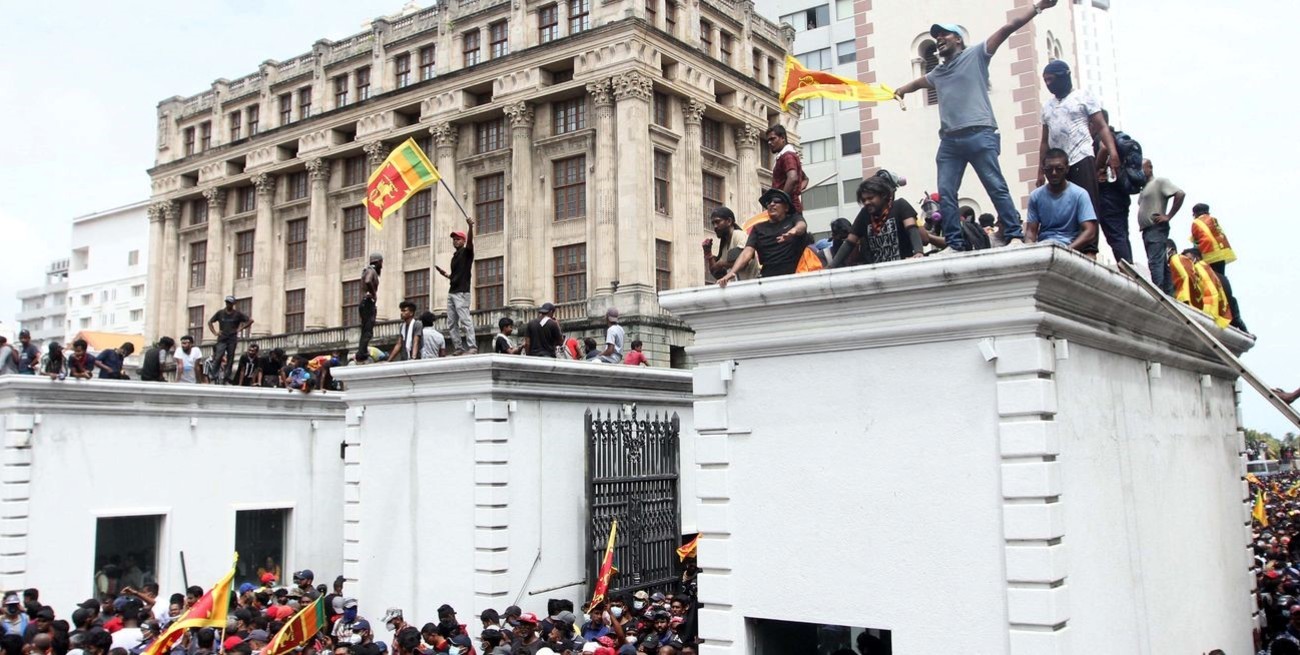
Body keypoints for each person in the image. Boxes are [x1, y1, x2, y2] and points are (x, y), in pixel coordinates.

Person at [891, 3, 1062, 251]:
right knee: (946, 193)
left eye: (944, 35)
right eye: (935, 37)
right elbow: (919, 82)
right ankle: (955, 243)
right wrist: (902, 90)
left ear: (958, 39)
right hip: (950, 141)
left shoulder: (977, 55)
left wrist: (1037, 7)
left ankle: (1014, 234)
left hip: (980, 133)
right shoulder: (938, 73)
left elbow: (1008, 27)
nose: (938, 39)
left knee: (995, 185)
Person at [1037, 58, 1118, 257]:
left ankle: (1090, 249)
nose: (1048, 84)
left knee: (1087, 203)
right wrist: (1040, 170)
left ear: (1064, 77)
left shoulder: (1083, 96)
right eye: (1045, 81)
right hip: (1057, 163)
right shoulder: (1047, 107)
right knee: (1061, 205)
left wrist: (1113, 151)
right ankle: (1067, 243)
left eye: (1051, 79)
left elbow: (1101, 126)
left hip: (1081, 156)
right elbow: (1044, 141)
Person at [716, 188, 808, 286]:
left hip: (794, 275)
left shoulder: (793, 219)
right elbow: (746, 253)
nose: (772, 204)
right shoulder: (758, 228)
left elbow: (802, 226)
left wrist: (793, 231)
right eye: (769, 202)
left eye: (777, 201)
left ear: (786, 207)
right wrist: (730, 273)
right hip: (768, 278)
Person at [831, 171, 923, 267]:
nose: (866, 202)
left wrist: (918, 252)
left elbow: (912, 228)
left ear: (883, 195)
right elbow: (849, 242)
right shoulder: (864, 214)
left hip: (902, 268)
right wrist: (831, 266)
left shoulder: (900, 205)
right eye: (863, 200)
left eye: (870, 198)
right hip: (878, 272)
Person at [1024, 148, 1098, 253]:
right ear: (1044, 170)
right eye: (1049, 169)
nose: (1054, 173)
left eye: (1059, 168)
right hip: (1044, 248)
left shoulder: (1080, 194)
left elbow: (1090, 231)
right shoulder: (1035, 196)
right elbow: (1031, 232)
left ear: (1067, 169)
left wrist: (1068, 250)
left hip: (1070, 247)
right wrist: (1029, 249)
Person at [1189, 203, 1245, 331]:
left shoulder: (1196, 222)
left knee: (1212, 284)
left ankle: (1221, 311)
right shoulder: (1213, 220)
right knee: (1222, 281)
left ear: (1195, 213)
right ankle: (1234, 316)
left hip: (1209, 255)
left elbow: (1196, 243)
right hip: (1222, 254)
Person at [1094, 109, 1138, 263]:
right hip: (1120, 192)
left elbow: (1105, 148)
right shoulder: (1116, 135)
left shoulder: (1101, 137)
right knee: (1122, 234)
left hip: (1108, 195)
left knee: (1116, 236)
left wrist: (1096, 168)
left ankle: (1127, 269)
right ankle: (1129, 267)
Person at [1135, 158, 1185, 294]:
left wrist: (1168, 216)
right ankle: (1169, 294)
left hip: (1155, 228)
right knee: (1161, 263)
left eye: (1141, 169)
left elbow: (1180, 194)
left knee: (1155, 262)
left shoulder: (1159, 182)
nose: (1139, 172)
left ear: (1149, 168)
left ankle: (1158, 293)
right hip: (1147, 231)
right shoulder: (1143, 188)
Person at [436, 216, 477, 355]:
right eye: (454, 239)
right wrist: (446, 275)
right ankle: (458, 347)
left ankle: (472, 346)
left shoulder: (467, 252)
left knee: (465, 319)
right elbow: (457, 275)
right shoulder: (455, 256)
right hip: (452, 292)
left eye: (458, 239)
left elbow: (471, 243)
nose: (455, 241)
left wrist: (470, 227)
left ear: (463, 241)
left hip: (462, 293)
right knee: (452, 322)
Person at [701, 207, 756, 283]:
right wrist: (708, 254)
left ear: (729, 221)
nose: (715, 226)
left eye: (718, 222)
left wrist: (722, 263)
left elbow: (744, 261)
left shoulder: (738, 235)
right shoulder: (724, 246)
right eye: (713, 223)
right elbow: (717, 273)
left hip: (753, 286)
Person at [1184, 248, 1234, 329]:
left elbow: (1210, 293)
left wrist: (1206, 316)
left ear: (1197, 258)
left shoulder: (1199, 268)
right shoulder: (1206, 269)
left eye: (1189, 259)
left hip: (1212, 315)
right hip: (1222, 315)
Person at [208, 296, 253, 382]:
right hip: (222, 337)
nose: (229, 304)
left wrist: (241, 328)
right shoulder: (220, 313)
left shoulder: (237, 314)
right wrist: (215, 332)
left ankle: (227, 375)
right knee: (218, 355)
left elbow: (250, 320)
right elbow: (210, 322)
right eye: (227, 303)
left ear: (233, 304)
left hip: (232, 338)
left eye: (230, 303)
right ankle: (213, 374)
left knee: (230, 357)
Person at [765, 125, 806, 214]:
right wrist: (796, 190)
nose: (769, 142)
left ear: (783, 138)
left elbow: (793, 178)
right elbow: (804, 179)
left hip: (788, 210)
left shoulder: (787, 156)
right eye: (768, 140)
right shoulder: (786, 156)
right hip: (788, 207)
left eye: (772, 139)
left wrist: (781, 200)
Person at [359, 253, 383, 359]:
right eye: (381, 263)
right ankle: (362, 353)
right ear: (377, 262)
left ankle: (362, 352)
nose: (381, 266)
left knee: (366, 330)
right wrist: (374, 293)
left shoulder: (367, 270)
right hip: (368, 303)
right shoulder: (371, 271)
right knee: (368, 331)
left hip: (365, 303)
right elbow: (368, 281)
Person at [1166, 240, 1201, 307]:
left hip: (1184, 300)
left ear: (1172, 251)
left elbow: (1186, 277)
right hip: (1190, 301)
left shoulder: (1176, 259)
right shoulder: (1172, 264)